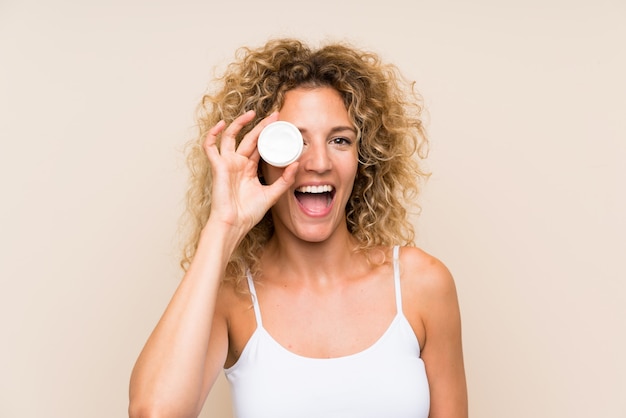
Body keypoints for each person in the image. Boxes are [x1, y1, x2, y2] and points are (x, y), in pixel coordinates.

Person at [129, 37, 467, 418]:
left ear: (364, 158)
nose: (319, 162)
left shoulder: (422, 283)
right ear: (259, 157)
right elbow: (154, 412)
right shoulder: (232, 297)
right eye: (295, 141)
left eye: (340, 140)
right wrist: (224, 225)